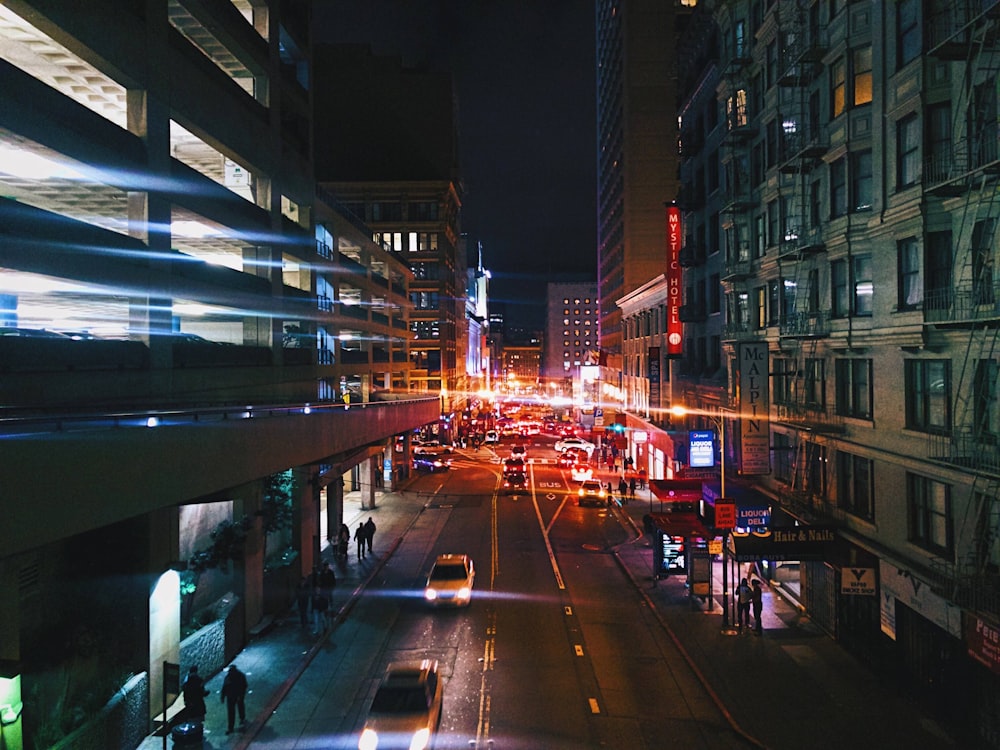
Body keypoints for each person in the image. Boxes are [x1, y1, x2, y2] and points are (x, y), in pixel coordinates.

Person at [220, 664, 248, 734]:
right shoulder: (229, 677)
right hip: (231, 697)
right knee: (232, 712)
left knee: (239, 708)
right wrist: (223, 697)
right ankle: (231, 727)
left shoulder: (239, 676)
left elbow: (244, 686)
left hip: (236, 696)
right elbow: (224, 687)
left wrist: (241, 695)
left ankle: (241, 718)